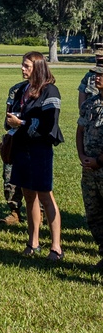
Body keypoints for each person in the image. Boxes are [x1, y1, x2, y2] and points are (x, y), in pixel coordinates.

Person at [5, 52, 63, 261]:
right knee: (29, 195)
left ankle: (56, 246)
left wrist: (21, 123)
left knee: (45, 195)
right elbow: (9, 115)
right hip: (21, 147)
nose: (22, 69)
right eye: (22, 65)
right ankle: (33, 242)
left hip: (40, 149)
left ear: (38, 67)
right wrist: (13, 121)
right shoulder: (21, 89)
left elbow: (50, 124)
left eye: (27, 66)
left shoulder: (50, 91)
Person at [76, 63, 103, 270]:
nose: (96, 78)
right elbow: (80, 129)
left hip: (100, 165)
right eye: (94, 74)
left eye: (100, 75)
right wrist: (82, 155)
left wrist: (99, 161)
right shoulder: (90, 104)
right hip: (89, 170)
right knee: (94, 213)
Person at [2, 72, 26, 227]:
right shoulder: (16, 90)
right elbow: (7, 116)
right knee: (9, 178)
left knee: (34, 181)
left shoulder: (46, 90)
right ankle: (14, 212)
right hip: (13, 139)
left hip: (33, 141)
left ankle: (40, 212)